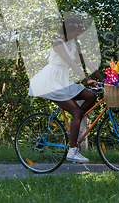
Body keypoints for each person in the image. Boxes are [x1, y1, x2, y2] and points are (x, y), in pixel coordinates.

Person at [28, 18, 104, 163]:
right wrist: (87, 79)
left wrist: (103, 80)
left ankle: (73, 128)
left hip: (62, 81)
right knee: (77, 112)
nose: (79, 33)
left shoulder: (74, 46)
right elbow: (71, 63)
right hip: (51, 82)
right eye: (77, 31)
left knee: (91, 96)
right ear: (69, 31)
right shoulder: (58, 43)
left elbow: (86, 62)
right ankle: (72, 151)